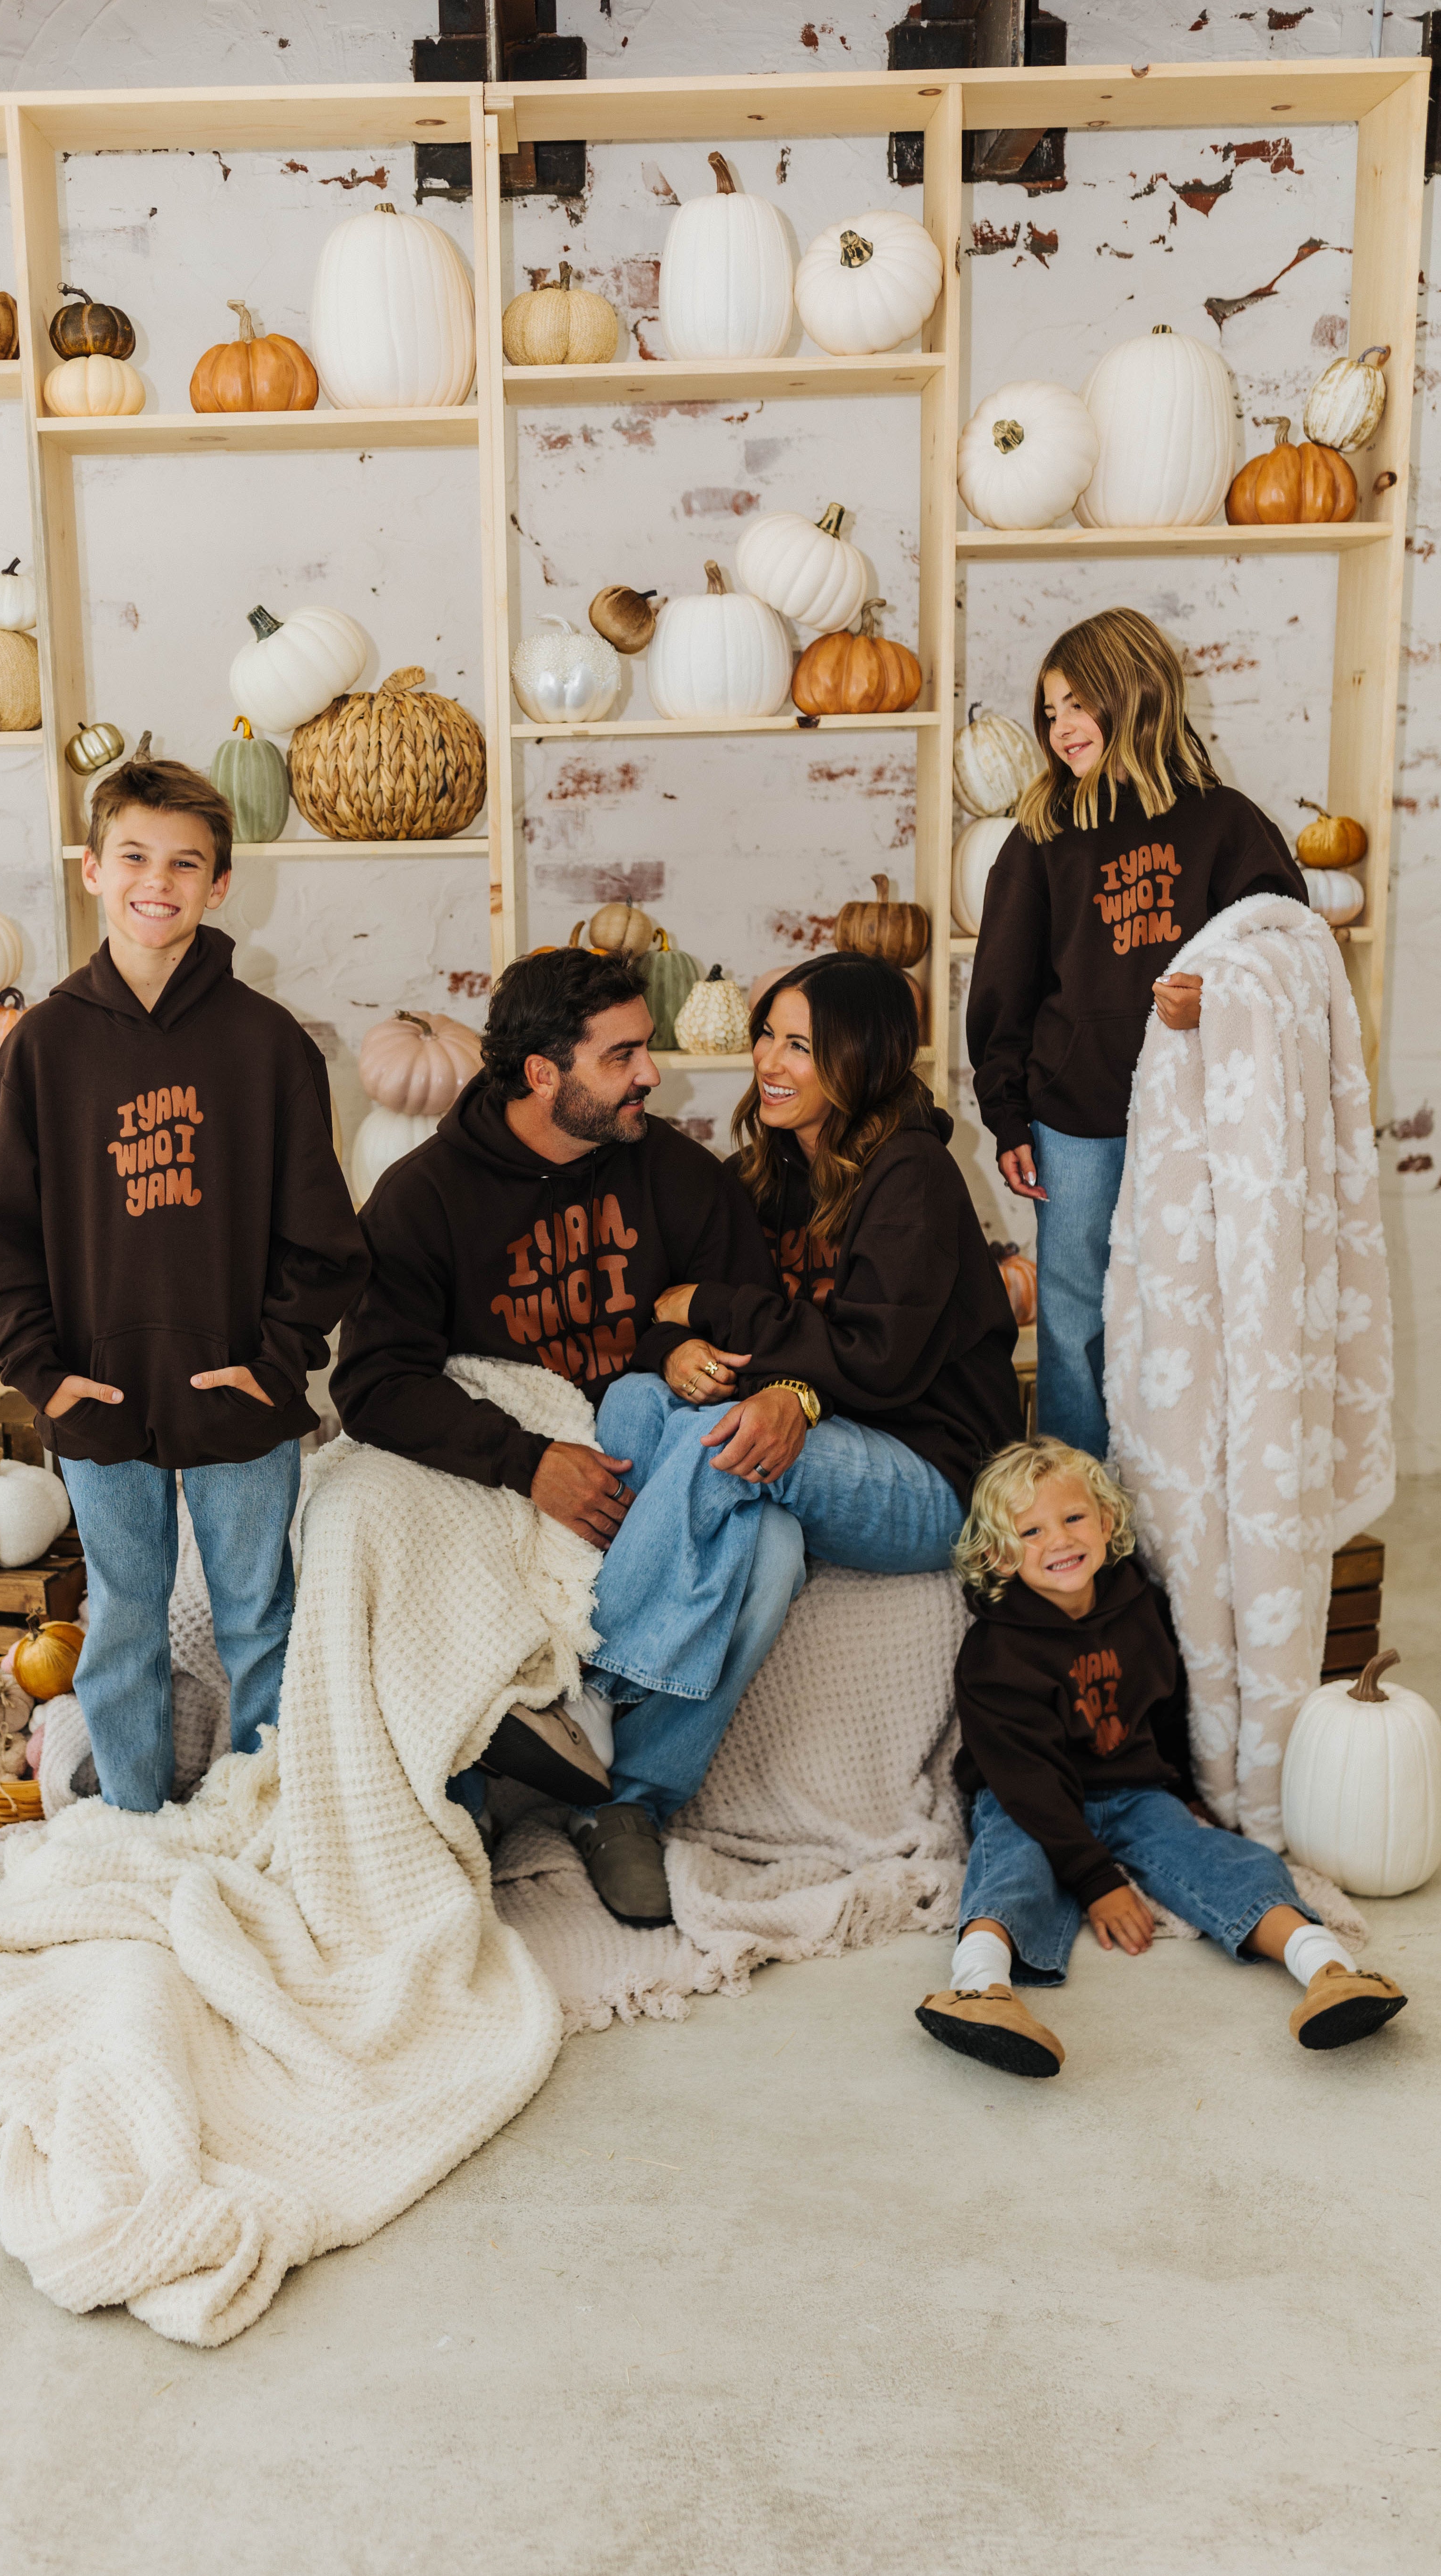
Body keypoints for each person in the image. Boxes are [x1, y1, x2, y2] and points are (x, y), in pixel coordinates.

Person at [329, 944, 794, 1923]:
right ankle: (462, 1776)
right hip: (513, 1458)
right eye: (622, 1055)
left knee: (778, 1543)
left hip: (641, 1448)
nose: (651, 1073)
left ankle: (628, 1801)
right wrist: (529, 1461)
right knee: (378, 1518)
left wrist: (673, 1341)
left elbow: (749, 1310)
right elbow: (372, 1382)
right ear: (545, 1073)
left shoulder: (670, 1170)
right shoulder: (424, 1197)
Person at [571, 951, 1025, 1920]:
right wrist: (680, 1343)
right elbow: (667, 1306)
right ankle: (633, 1803)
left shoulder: (915, 1178)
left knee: (712, 1446)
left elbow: (877, 1357)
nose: (770, 1061)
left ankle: (583, 1684)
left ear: (859, 1057)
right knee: (659, 1427)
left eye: (800, 1045)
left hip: (932, 1473)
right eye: (767, 1035)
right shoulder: (769, 1169)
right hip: (827, 1440)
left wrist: (726, 1318)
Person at [0, 750, 367, 1812]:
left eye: (187, 863)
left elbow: (323, 1241)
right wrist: (43, 1378)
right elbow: (5, 1236)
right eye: (135, 855)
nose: (160, 880)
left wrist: (276, 1367)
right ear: (92, 869)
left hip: (239, 1394)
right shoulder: (44, 1044)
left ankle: (273, 1826)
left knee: (258, 1622)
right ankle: (135, 1835)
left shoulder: (271, 1045)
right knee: (124, 1624)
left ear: (222, 884)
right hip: (99, 1399)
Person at [916, 1436, 1409, 2078]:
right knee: (1011, 1869)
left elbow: (1166, 1704)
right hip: (1026, 1800)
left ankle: (1328, 1970)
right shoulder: (994, 1653)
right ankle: (981, 1991)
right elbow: (1024, 1777)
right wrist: (1096, 1881)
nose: (1058, 1540)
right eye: (1030, 1531)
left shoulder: (1138, 1605)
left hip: (1132, 1790)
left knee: (1219, 1858)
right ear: (997, 1555)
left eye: (1072, 1519)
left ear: (1107, 1521)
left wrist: (1186, 1787)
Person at [966, 606, 1308, 1458]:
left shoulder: (1227, 824)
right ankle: (1082, 1495)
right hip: (1075, 1119)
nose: (1063, 727)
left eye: (1080, 703)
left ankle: (1185, 1490)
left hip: (1199, 1116)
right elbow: (1003, 988)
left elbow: (1287, 949)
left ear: (1139, 693)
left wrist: (1220, 998)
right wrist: (1007, 1114)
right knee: (1076, 1310)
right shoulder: (1044, 835)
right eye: (1051, 712)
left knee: (1194, 1302)